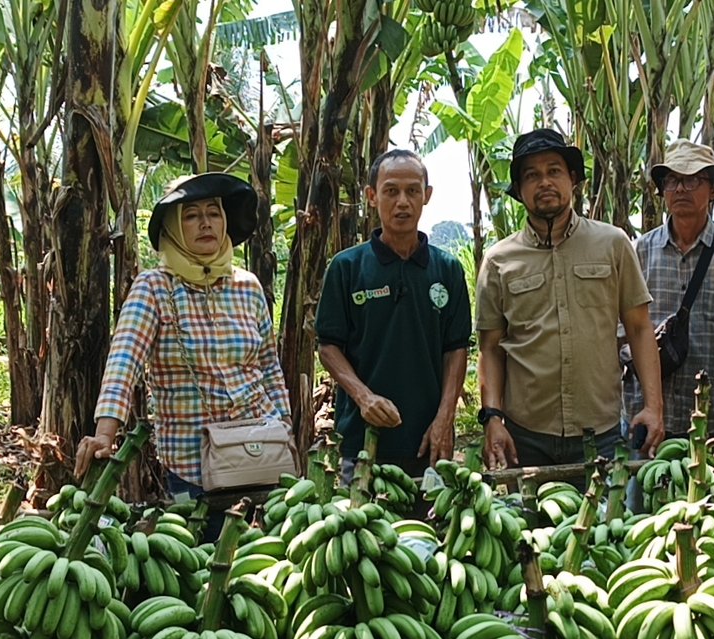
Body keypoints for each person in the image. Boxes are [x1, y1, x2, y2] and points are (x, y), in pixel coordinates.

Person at [75, 173, 290, 496]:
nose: (206, 223)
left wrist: (285, 427)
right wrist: (105, 434)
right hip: (192, 462)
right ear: (173, 227)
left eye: (214, 213)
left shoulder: (248, 286)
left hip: (260, 450)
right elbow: (123, 363)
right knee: (196, 530)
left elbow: (269, 367)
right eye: (191, 216)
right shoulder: (154, 287)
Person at [476, 128, 665, 469]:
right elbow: (490, 347)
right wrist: (492, 417)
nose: (544, 182)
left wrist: (654, 407)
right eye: (531, 175)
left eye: (554, 170)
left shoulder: (613, 244)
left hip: (602, 431)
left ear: (573, 179)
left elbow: (639, 327)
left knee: (608, 507)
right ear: (519, 189)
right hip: (526, 436)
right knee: (528, 509)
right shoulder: (499, 260)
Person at [315, 149, 470, 479]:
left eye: (413, 190)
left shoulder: (447, 269)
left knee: (428, 515)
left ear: (427, 196)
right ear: (372, 196)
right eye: (391, 191)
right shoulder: (346, 268)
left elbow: (456, 349)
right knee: (360, 513)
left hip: (428, 442)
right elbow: (328, 347)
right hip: (362, 442)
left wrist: (445, 419)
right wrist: (364, 397)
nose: (403, 202)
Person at [626, 140, 714, 441]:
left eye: (692, 179)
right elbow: (622, 330)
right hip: (646, 415)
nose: (680, 189)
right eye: (672, 180)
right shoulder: (638, 252)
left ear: (713, 189)